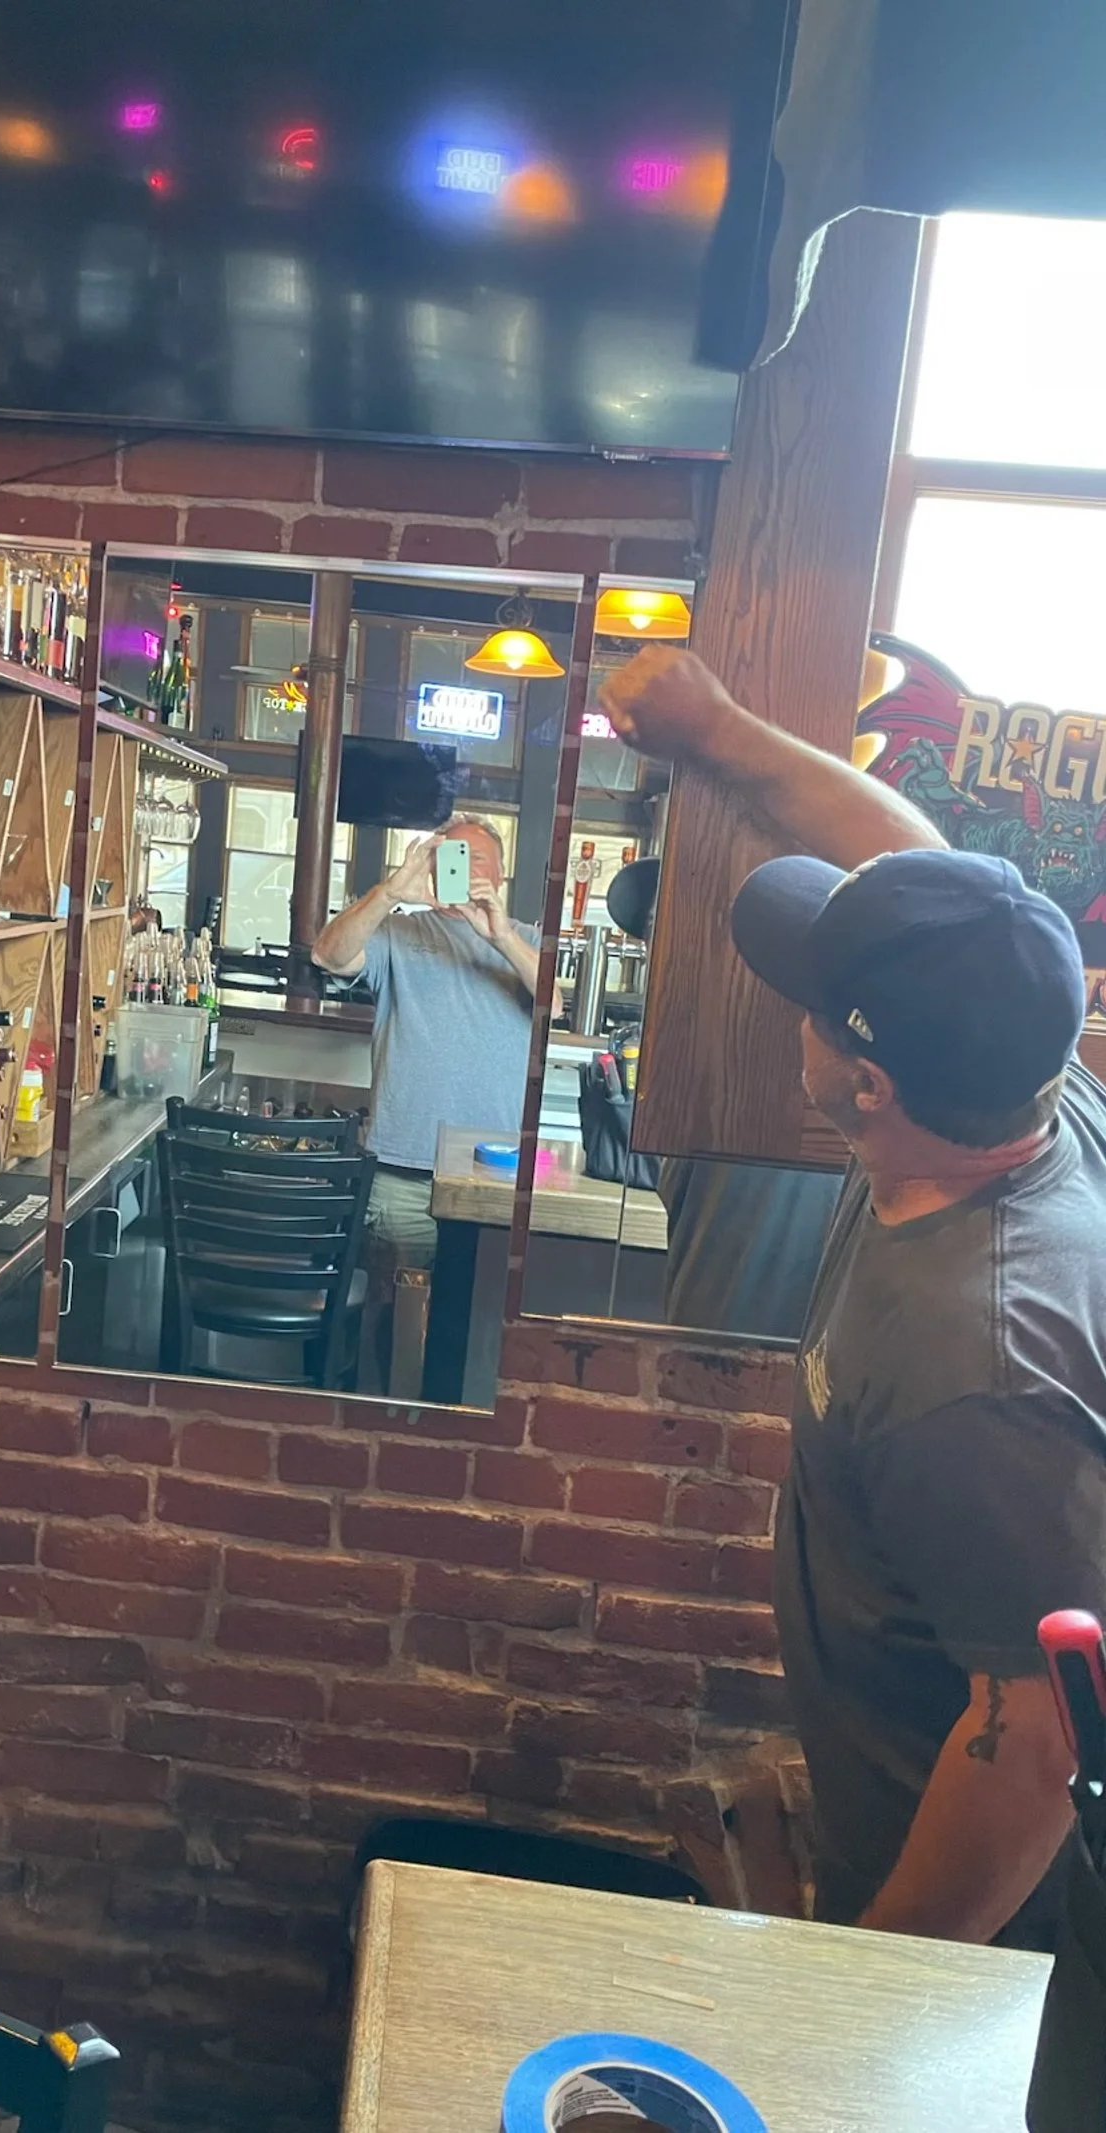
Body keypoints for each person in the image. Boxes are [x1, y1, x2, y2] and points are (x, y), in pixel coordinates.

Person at [601, 643, 1106, 1951]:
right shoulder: (1027, 1094)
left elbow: (1039, 1736)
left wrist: (875, 1974)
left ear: (869, 1084)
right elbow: (913, 862)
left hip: (985, 1957)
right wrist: (717, 734)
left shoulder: (976, 1359)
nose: (800, 1018)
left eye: (818, 1006)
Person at [312, 820, 538, 1386]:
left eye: (476, 859)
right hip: (402, 1173)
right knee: (393, 1335)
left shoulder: (524, 938)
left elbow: (555, 1002)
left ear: (501, 873)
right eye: (450, 855)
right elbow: (327, 954)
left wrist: (499, 935)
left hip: (493, 1179)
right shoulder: (399, 932)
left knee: (477, 1337)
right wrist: (390, 892)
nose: (462, 868)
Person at [604, 855, 842, 1340]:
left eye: (671, 923)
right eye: (653, 929)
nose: (653, 949)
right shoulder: (698, 1068)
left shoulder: (780, 1093)